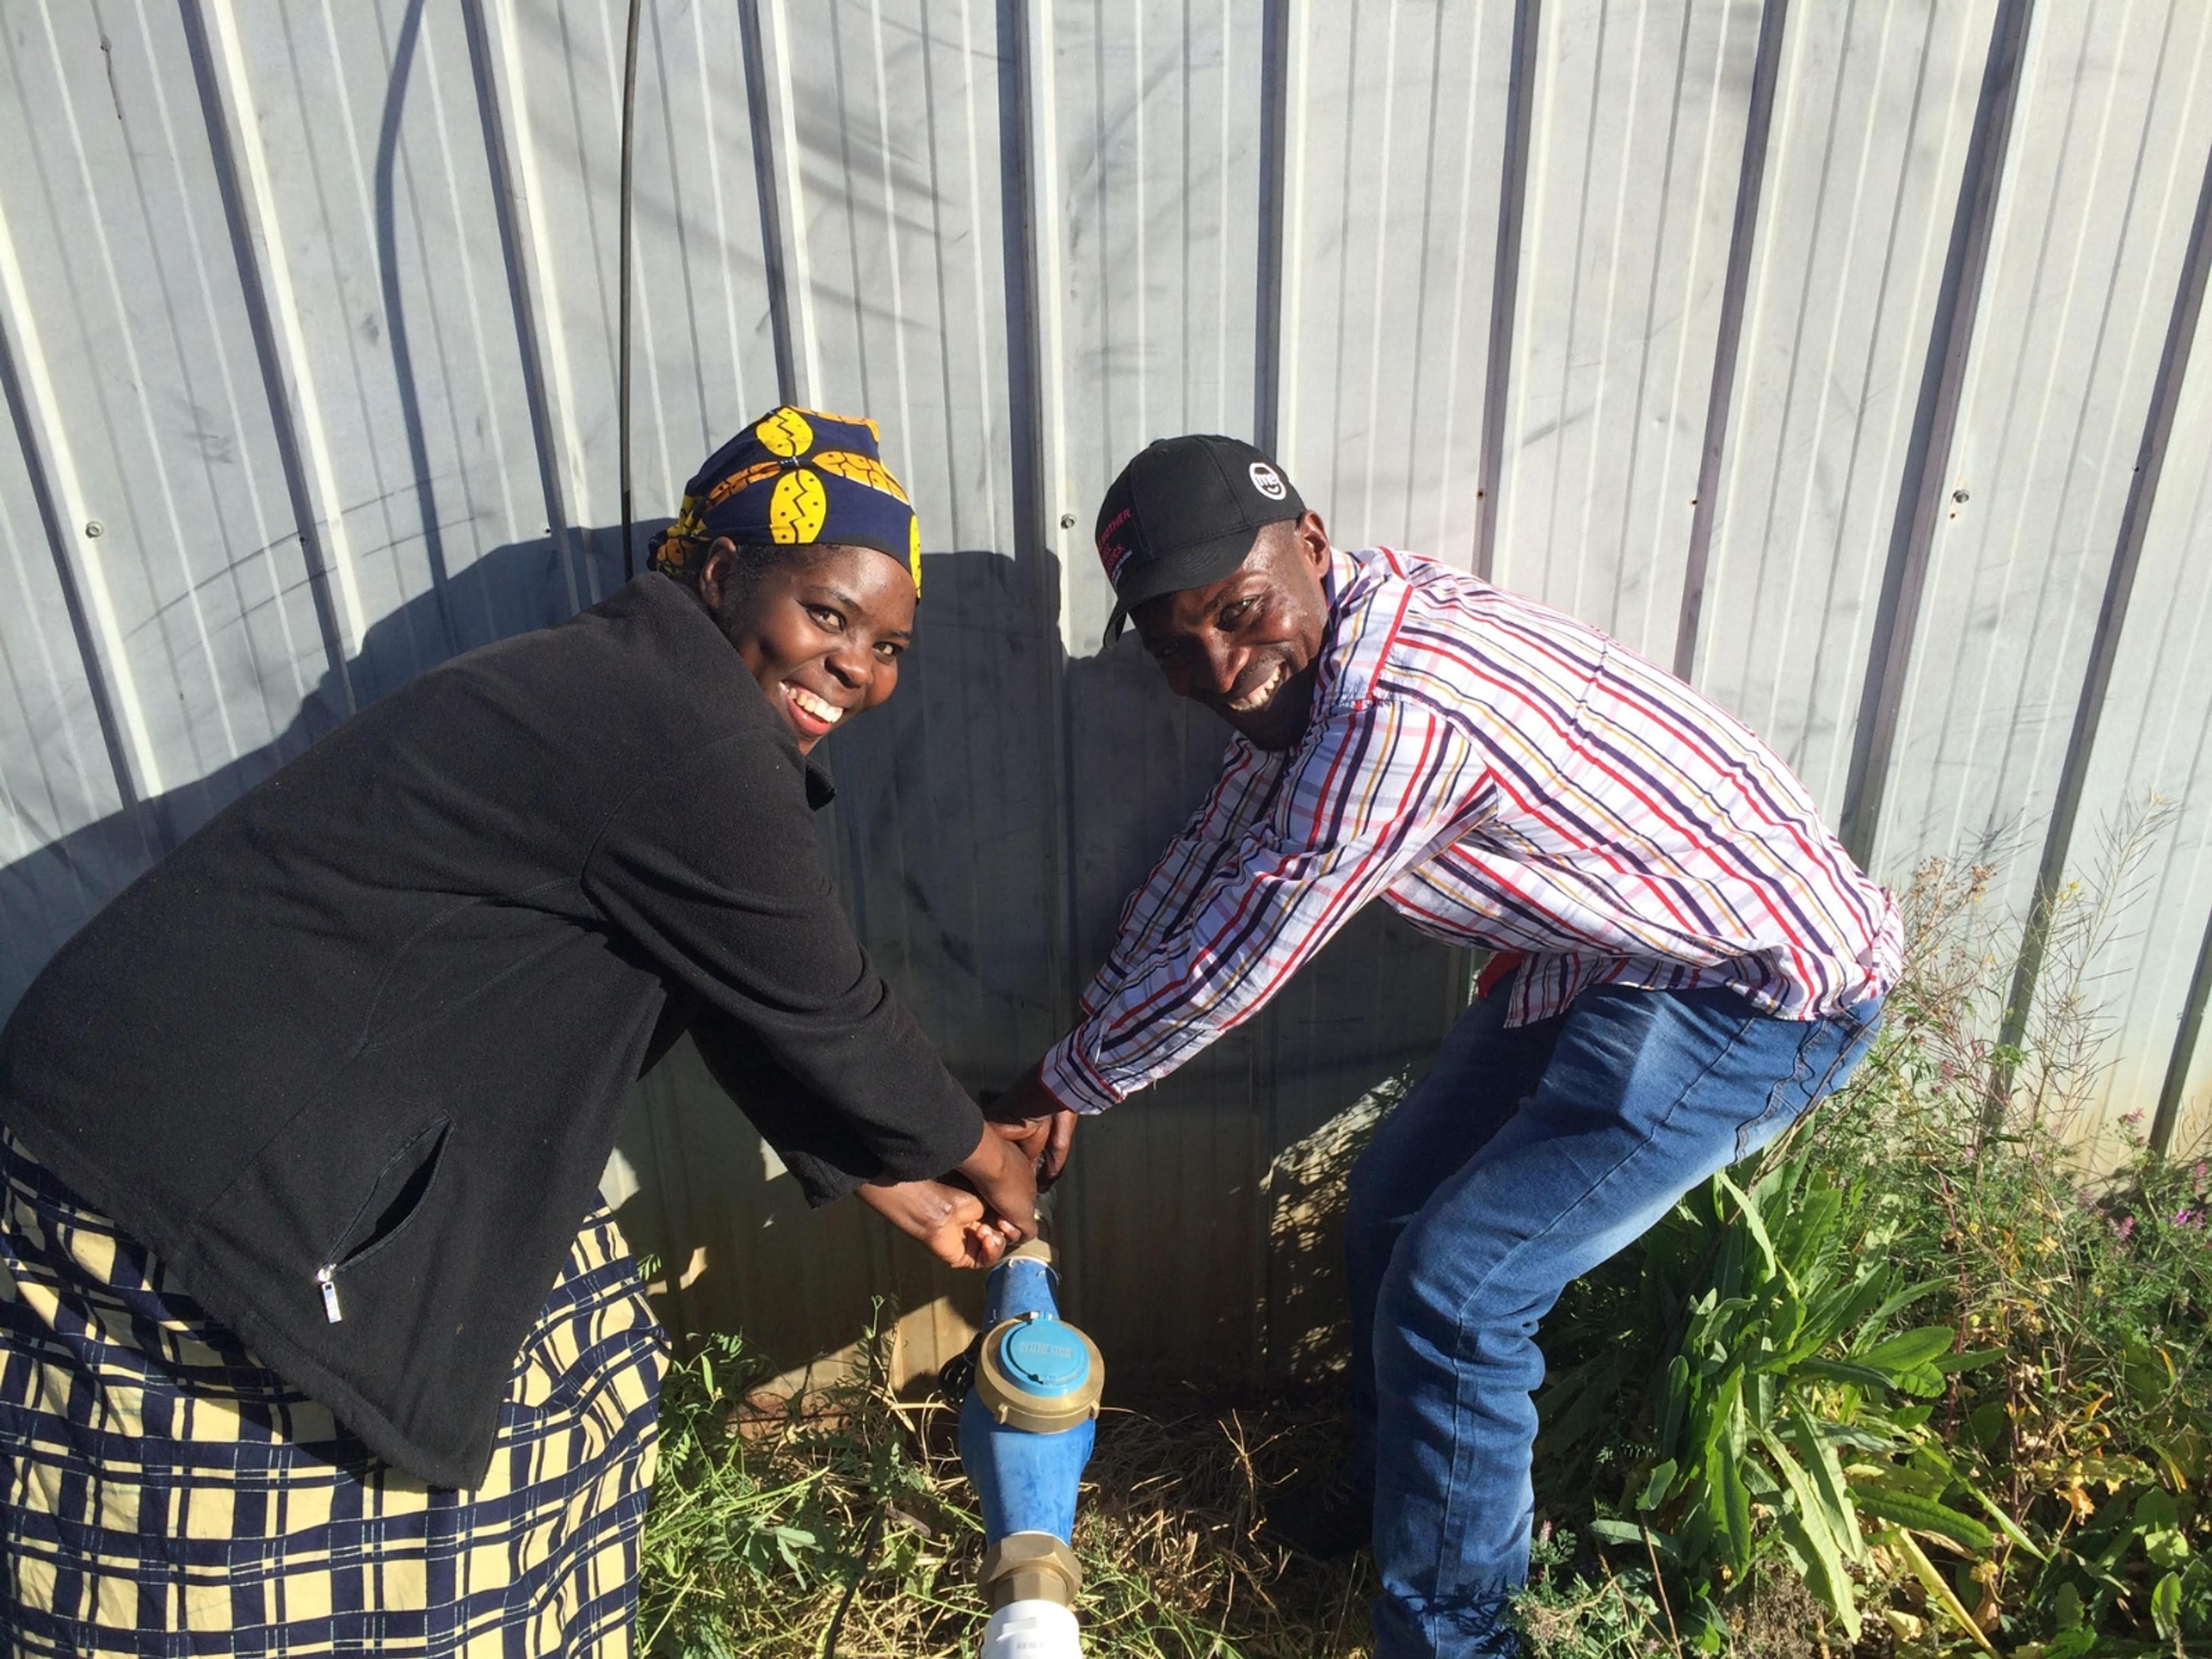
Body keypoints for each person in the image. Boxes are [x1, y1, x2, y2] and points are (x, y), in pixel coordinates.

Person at [0, 406, 1039, 1656]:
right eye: (828, 614)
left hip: (239, 1122)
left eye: (888, 646)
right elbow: (822, 1001)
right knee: (225, 1563)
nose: (857, 670)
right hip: (180, 1178)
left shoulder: (637, 698)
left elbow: (728, 980)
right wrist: (984, 1153)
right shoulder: (681, 726)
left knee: (583, 1346)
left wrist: (904, 1186)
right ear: (720, 573)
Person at [987, 434, 1897, 1658]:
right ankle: (1389, 1487)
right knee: (1392, 1203)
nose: (1215, 667)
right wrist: (1086, 1037)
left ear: (1310, 546)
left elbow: (1255, 940)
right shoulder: (1340, 652)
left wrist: (1072, 1079)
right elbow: (1222, 856)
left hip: (1752, 992)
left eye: (1240, 613)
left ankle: (1457, 1637)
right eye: (1172, 646)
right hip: (1609, 960)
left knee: (1464, 1294)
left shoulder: (1400, 707)